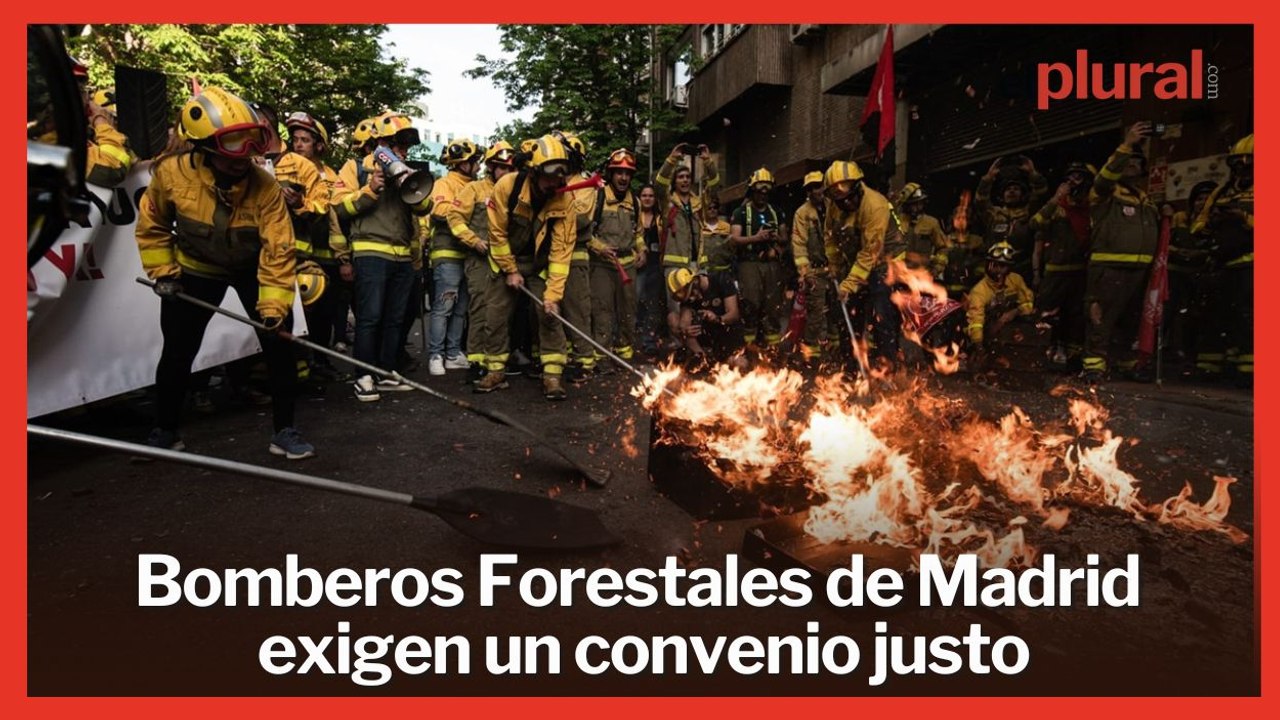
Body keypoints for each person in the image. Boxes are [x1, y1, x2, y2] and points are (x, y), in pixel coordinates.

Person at [135, 86, 313, 459]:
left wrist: (273, 306)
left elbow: (278, 248)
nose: (245, 155)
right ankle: (165, 430)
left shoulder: (264, 187)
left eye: (252, 141)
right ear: (203, 146)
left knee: (280, 347)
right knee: (178, 353)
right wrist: (164, 274)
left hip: (251, 269)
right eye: (234, 145)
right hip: (197, 269)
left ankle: (285, 432)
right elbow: (151, 226)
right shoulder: (171, 175)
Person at [331, 111, 432, 401]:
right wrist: (370, 189)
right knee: (370, 317)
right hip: (371, 253)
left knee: (395, 319)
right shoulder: (356, 168)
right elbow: (337, 209)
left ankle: (387, 371)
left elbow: (424, 209)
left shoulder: (408, 169)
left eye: (406, 146)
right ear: (381, 143)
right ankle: (363, 375)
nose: (403, 151)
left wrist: (412, 185)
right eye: (397, 144)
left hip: (402, 256)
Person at [475, 135, 578, 400]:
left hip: (539, 264)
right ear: (533, 171)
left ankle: (552, 376)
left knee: (549, 317)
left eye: (561, 177)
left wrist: (553, 296)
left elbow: (561, 252)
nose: (556, 183)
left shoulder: (564, 200)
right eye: (550, 177)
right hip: (505, 260)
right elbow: (496, 234)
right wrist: (510, 270)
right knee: (496, 316)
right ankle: (495, 371)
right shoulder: (507, 186)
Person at [1081, 121, 1160, 384]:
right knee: (1100, 318)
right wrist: (1127, 144)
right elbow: (1105, 177)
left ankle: (1127, 363)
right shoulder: (1104, 192)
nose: (1132, 165)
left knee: (1131, 320)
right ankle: (1094, 365)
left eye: (1137, 162)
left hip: (1139, 271)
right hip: (1109, 267)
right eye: (1127, 161)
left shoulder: (1145, 199)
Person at [444, 140, 517, 383]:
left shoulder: (514, 192)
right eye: (501, 168)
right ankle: (477, 361)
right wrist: (473, 240)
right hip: (480, 261)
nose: (506, 173)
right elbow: (454, 216)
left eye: (510, 168)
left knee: (503, 312)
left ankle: (499, 361)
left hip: (505, 260)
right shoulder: (475, 189)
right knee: (479, 309)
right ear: (491, 168)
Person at [284, 111, 349, 379]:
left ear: (319, 145)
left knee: (325, 315)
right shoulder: (283, 167)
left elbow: (333, 217)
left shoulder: (332, 175)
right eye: (296, 139)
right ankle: (298, 366)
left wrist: (343, 258)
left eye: (305, 140)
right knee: (297, 315)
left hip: (327, 257)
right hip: (295, 255)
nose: (299, 144)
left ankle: (320, 362)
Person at [827, 160, 907, 371]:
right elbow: (831, 238)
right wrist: (835, 265)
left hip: (884, 262)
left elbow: (870, 252)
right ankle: (851, 367)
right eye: (841, 201)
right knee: (849, 314)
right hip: (857, 263)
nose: (847, 204)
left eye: (850, 198)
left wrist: (848, 284)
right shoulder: (834, 207)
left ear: (858, 188)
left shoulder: (875, 205)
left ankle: (887, 368)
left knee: (882, 317)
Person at [1193, 133, 1253, 386]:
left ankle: (1250, 372)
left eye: (1248, 163)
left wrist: (1244, 219)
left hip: (1253, 264)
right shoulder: (1222, 192)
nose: (1242, 169)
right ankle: (1211, 368)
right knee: (1214, 317)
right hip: (1221, 264)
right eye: (1237, 164)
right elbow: (1198, 224)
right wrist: (1210, 225)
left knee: (1249, 318)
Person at [426, 138, 484, 376]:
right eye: (474, 162)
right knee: (444, 307)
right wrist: (464, 209)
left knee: (461, 308)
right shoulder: (444, 183)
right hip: (447, 254)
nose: (478, 167)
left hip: (468, 255)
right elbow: (439, 211)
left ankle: (452, 354)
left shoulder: (475, 185)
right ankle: (436, 355)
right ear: (462, 163)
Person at [587, 148, 646, 372]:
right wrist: (599, 248)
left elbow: (638, 233)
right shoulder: (598, 197)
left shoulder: (636, 202)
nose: (623, 178)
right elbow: (585, 233)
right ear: (611, 174)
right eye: (619, 173)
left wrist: (642, 250)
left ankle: (625, 355)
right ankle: (601, 358)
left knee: (628, 311)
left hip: (628, 264)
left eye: (627, 173)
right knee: (602, 311)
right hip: (602, 265)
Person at [1030, 162, 1093, 367]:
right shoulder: (1058, 207)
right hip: (1055, 272)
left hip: (1080, 272)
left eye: (1079, 177)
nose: (1073, 182)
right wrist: (1037, 273)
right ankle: (1041, 353)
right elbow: (1035, 225)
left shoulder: (1092, 207)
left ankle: (1073, 358)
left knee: (1076, 317)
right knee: (1047, 315)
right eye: (1070, 177)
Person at [655, 143, 719, 335]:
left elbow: (714, 186)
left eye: (687, 177)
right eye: (680, 177)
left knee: (692, 310)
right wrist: (672, 159)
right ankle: (675, 349)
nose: (684, 180)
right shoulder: (668, 204)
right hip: (674, 267)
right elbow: (659, 185)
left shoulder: (699, 204)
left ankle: (692, 350)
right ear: (675, 182)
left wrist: (707, 161)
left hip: (695, 265)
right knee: (675, 310)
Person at [1168, 181, 1222, 377]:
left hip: (1202, 275)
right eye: (1199, 199)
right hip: (1175, 274)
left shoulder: (1214, 221)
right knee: (1171, 315)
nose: (1202, 203)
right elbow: (1165, 242)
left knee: (1196, 317)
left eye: (1207, 199)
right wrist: (1180, 252)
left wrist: (1200, 254)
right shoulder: (1180, 218)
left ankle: (1195, 359)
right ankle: (1171, 354)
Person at [730, 167, 788, 349]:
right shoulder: (741, 213)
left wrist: (775, 239)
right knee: (751, 304)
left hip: (771, 264)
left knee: (772, 307)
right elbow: (734, 238)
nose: (763, 195)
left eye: (767, 191)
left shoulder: (776, 212)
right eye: (759, 191)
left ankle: (773, 350)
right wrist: (756, 238)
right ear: (752, 191)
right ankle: (750, 349)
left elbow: (785, 237)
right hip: (749, 263)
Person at [976, 155, 1047, 280]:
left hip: (1022, 270)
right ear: (1002, 195)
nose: (1012, 191)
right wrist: (988, 177)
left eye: (1016, 189)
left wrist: (1032, 173)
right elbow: (980, 200)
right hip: (995, 270)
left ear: (1022, 194)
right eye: (1008, 189)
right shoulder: (994, 214)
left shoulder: (1029, 212)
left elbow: (1041, 194)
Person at [966, 243, 1035, 359]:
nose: (998, 269)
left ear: (1009, 268)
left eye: (1003, 266)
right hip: (990, 332)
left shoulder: (1016, 280)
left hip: (1014, 328)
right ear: (987, 264)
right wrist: (979, 346)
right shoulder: (979, 291)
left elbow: (1028, 302)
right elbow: (976, 322)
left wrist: (1015, 312)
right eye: (994, 265)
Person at [668, 268, 744, 365]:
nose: (692, 298)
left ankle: (722, 358)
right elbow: (684, 320)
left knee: (741, 364)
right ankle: (702, 359)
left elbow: (734, 314)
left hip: (727, 331)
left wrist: (717, 318)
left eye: (691, 293)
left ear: (695, 281)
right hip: (706, 333)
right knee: (672, 318)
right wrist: (685, 330)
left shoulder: (721, 280)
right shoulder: (688, 295)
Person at [790, 171, 830, 360]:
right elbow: (799, 245)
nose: (818, 190)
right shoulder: (802, 213)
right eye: (813, 187)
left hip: (835, 269)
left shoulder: (834, 208)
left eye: (819, 186)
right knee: (816, 315)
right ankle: (811, 356)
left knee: (837, 313)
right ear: (808, 191)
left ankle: (835, 352)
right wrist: (806, 273)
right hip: (815, 271)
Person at [634, 183, 667, 358]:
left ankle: (649, 341)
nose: (647, 198)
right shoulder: (634, 215)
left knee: (653, 303)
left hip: (655, 264)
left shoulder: (661, 218)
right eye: (644, 195)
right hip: (637, 264)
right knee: (635, 300)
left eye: (651, 196)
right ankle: (629, 339)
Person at [896, 182, 948, 276]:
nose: (918, 207)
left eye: (920, 203)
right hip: (900, 275)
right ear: (906, 205)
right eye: (914, 204)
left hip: (923, 276)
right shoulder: (897, 221)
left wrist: (936, 269)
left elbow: (943, 248)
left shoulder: (931, 223)